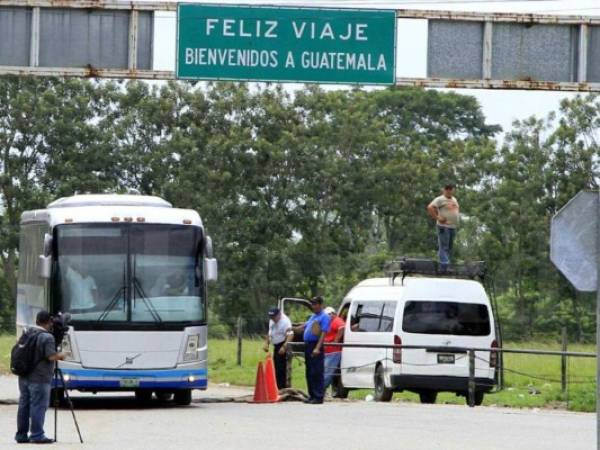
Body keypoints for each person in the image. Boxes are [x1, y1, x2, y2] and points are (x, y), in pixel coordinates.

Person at [15, 310, 66, 444]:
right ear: (49, 322)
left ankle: (21, 435)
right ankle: (37, 435)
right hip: (40, 378)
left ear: (37, 320)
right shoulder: (47, 337)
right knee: (38, 405)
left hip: (24, 376)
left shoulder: (28, 331)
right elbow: (51, 356)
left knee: (24, 405)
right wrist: (63, 354)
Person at [295, 296, 330, 404]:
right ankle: (312, 395)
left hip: (316, 345)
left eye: (315, 304)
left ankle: (318, 396)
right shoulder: (313, 316)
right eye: (312, 304)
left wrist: (317, 348)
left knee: (317, 371)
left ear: (320, 304)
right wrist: (294, 328)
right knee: (309, 371)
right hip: (308, 345)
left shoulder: (324, 317)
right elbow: (305, 326)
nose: (313, 306)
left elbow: (323, 333)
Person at [427, 183, 460, 270]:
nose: (449, 191)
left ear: (453, 190)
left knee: (449, 247)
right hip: (444, 226)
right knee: (444, 246)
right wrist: (437, 217)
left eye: (450, 189)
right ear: (444, 190)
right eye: (447, 189)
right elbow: (430, 207)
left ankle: (447, 264)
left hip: (452, 227)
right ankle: (444, 266)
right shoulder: (440, 199)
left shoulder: (454, 199)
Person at [263, 307, 293, 390]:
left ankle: (282, 388)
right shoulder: (272, 320)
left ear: (279, 314)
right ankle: (277, 387)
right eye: (271, 317)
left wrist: (284, 346)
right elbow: (270, 332)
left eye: (274, 317)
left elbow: (290, 335)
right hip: (276, 345)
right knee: (276, 367)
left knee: (281, 368)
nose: (272, 319)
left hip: (283, 344)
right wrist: (266, 343)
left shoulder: (285, 321)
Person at [323, 306, 345, 391]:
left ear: (333, 314)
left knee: (328, 372)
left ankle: (321, 389)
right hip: (328, 351)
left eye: (328, 315)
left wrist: (335, 340)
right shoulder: (330, 322)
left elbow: (342, 327)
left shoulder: (336, 320)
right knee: (325, 371)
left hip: (334, 351)